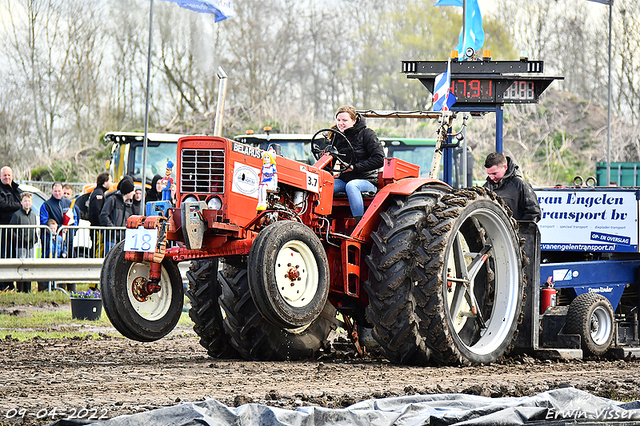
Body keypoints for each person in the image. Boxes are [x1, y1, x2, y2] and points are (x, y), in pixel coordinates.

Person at [331, 105, 385, 223]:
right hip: (344, 180)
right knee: (325, 186)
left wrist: (354, 168)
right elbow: (330, 162)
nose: (341, 123)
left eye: (345, 120)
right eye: (339, 120)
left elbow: (379, 159)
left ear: (354, 121)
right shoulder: (337, 137)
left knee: (352, 186)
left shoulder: (367, 134)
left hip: (367, 180)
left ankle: (358, 223)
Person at [483, 152, 541, 222]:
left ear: (505, 167)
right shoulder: (487, 187)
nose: (491, 177)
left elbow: (534, 212)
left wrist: (517, 229)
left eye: (494, 173)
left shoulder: (520, 184)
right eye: (489, 174)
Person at [10, 192, 39, 292]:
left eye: (29, 201)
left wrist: (35, 238)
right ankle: (20, 289)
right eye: (25, 201)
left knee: (29, 267)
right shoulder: (17, 215)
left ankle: (28, 289)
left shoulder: (33, 215)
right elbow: (11, 230)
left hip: (30, 245)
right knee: (21, 266)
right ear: (21, 202)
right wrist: (19, 239)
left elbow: (34, 229)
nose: (27, 203)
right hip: (20, 245)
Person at [100, 177, 135, 254]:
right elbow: (104, 215)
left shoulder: (129, 205)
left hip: (122, 239)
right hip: (111, 238)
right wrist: (112, 228)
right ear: (128, 192)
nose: (134, 193)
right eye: (132, 191)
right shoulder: (112, 199)